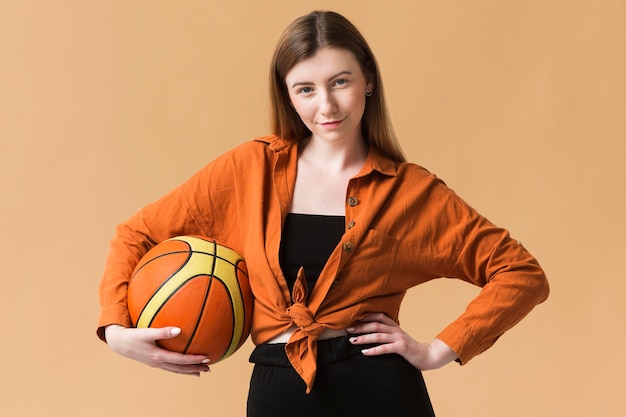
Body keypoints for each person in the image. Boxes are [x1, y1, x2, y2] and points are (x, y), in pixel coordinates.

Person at [97, 10, 549, 417]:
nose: (326, 106)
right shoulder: (249, 169)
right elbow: (137, 233)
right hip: (277, 391)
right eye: (306, 89)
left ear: (368, 79)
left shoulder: (412, 191)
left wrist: (438, 350)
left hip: (382, 392)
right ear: (288, 96)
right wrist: (117, 330)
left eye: (340, 81)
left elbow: (521, 273)